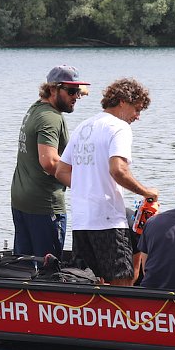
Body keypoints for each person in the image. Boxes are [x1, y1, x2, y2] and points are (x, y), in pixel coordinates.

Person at [55, 78, 158, 286]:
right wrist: (147, 192)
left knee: (89, 282)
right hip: (108, 219)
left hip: (82, 221)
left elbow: (61, 171)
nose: (137, 116)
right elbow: (118, 170)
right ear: (122, 101)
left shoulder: (84, 126)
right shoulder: (119, 128)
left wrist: (88, 184)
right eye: (136, 109)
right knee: (123, 281)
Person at [10, 65, 90, 258]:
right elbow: (49, 161)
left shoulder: (36, 109)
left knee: (24, 265)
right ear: (53, 89)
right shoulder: (51, 118)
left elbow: (70, 92)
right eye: (71, 91)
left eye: (78, 92)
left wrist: (77, 90)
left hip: (22, 200)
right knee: (48, 268)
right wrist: (84, 187)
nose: (76, 97)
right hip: (45, 206)